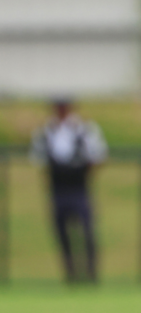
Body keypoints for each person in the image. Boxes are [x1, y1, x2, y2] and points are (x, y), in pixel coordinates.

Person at [29, 99, 107, 283]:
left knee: (87, 231)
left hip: (79, 189)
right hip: (58, 189)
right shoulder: (45, 132)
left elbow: (98, 157)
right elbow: (39, 160)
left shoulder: (85, 130)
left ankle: (90, 273)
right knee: (62, 233)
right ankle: (70, 273)